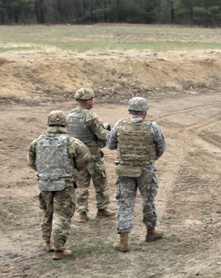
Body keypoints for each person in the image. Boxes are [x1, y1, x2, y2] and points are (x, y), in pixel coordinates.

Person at [27, 110, 90, 260]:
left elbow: (31, 162)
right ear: (64, 123)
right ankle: (58, 248)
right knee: (62, 215)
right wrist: (73, 169)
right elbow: (84, 159)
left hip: (44, 183)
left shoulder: (37, 142)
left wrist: (45, 172)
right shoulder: (71, 142)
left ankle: (47, 242)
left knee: (48, 211)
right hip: (64, 183)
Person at [107, 96, 167, 252]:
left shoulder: (120, 125)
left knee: (125, 203)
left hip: (125, 169)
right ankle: (150, 232)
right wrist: (151, 159)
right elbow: (161, 146)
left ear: (130, 110)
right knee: (148, 200)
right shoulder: (152, 127)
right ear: (144, 111)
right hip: (146, 169)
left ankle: (123, 240)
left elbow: (111, 144)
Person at [67, 88, 115, 222]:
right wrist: (110, 132)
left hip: (78, 156)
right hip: (93, 155)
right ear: (88, 100)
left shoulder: (69, 116)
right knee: (100, 181)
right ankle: (102, 208)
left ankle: (82, 212)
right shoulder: (90, 116)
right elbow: (102, 134)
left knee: (81, 184)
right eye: (92, 99)